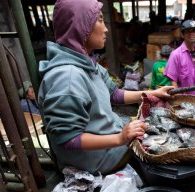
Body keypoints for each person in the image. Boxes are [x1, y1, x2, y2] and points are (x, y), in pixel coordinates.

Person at [38, 0, 173, 175]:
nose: (106, 29)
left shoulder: (86, 62)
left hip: (110, 136)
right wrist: (120, 139)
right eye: (100, 20)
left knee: (157, 127)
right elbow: (68, 139)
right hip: (98, 159)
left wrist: (152, 93)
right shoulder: (68, 78)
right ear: (81, 26)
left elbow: (114, 94)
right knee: (164, 148)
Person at [164, 20, 195, 95]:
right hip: (184, 100)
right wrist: (179, 101)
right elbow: (173, 82)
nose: (191, 34)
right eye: (188, 31)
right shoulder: (176, 55)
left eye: (194, 31)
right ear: (182, 34)